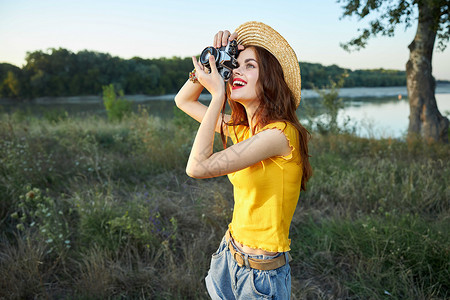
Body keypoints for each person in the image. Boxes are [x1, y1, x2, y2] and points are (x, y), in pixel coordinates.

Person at [174, 21, 312, 299]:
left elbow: (196, 167)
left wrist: (217, 97)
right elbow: (183, 101)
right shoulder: (243, 131)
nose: (236, 70)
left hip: (262, 276)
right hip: (228, 256)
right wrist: (212, 57)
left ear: (270, 80)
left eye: (250, 65)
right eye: (236, 64)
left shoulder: (281, 135)